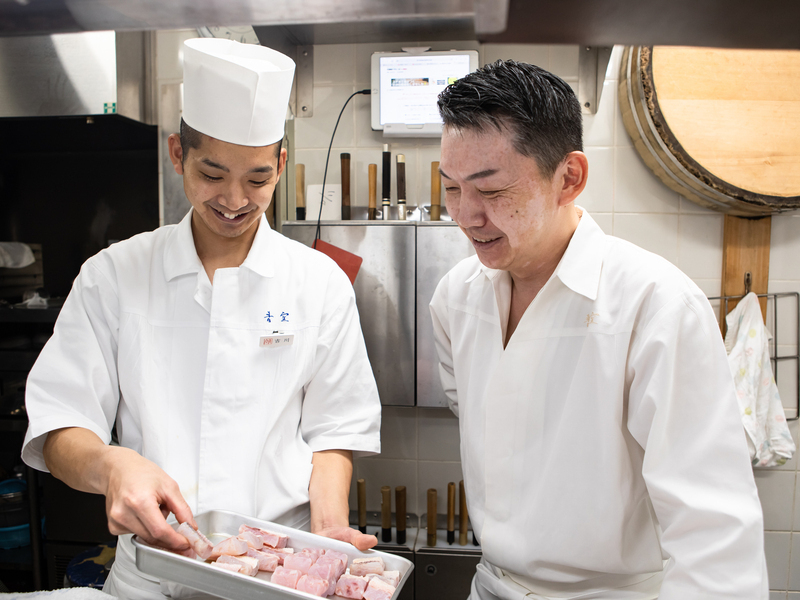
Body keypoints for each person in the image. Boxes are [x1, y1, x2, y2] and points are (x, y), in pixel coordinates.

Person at [22, 38, 381, 599]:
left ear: (281, 164)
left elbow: (336, 430)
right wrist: (111, 464)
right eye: (212, 174)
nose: (235, 200)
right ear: (177, 154)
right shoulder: (114, 275)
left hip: (276, 571)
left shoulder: (318, 282)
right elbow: (59, 425)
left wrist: (330, 530)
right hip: (151, 572)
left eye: (258, 179)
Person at [430, 59, 767, 600]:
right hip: (490, 585)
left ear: (569, 178)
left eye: (491, 192)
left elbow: (713, 529)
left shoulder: (654, 303)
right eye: (451, 188)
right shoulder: (457, 296)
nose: (467, 216)